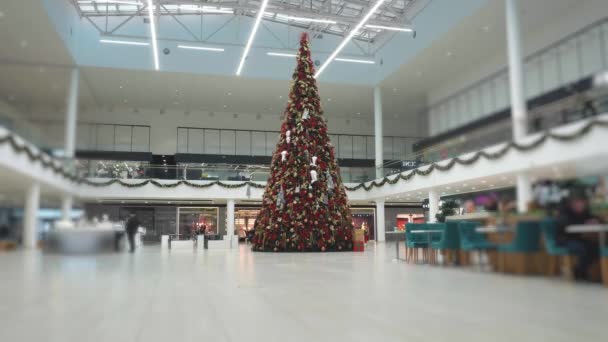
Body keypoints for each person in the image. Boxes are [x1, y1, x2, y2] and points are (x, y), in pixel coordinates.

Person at [556, 192, 602, 280]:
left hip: (580, 239)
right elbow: (565, 225)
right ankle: (580, 271)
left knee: (595, 248)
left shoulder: (585, 213)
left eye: (582, 203)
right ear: (572, 204)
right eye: (577, 203)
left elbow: (596, 218)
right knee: (583, 248)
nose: (580, 205)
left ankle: (579, 270)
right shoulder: (564, 213)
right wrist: (585, 223)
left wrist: (596, 221)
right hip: (565, 240)